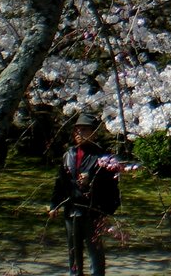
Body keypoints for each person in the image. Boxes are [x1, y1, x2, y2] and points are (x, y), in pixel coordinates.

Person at [48, 113, 122, 276]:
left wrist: (92, 182)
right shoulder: (69, 155)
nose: (79, 134)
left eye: (84, 130)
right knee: (73, 252)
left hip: (92, 211)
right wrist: (54, 204)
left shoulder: (103, 157)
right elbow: (60, 182)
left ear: (93, 133)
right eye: (77, 130)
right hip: (71, 209)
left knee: (95, 251)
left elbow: (112, 187)